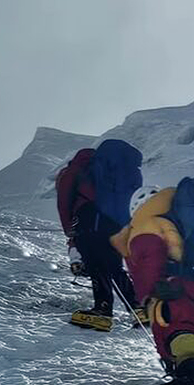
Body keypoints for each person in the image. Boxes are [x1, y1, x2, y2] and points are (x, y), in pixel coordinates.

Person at [111, 182, 194, 385]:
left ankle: (188, 380)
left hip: (173, 292)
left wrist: (150, 292)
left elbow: (150, 258)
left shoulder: (145, 225)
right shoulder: (178, 223)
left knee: (175, 331)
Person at [55, 140, 147, 331]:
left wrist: (70, 230)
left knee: (96, 264)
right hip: (116, 223)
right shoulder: (117, 170)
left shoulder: (76, 170)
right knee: (114, 266)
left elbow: (64, 202)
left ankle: (102, 311)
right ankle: (138, 309)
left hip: (89, 220)